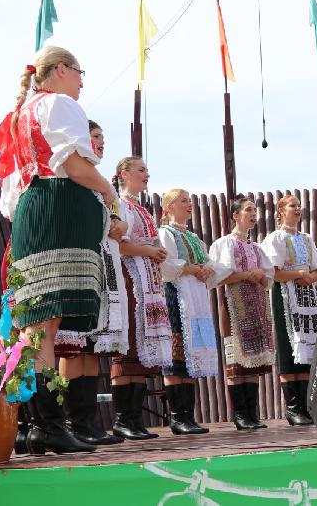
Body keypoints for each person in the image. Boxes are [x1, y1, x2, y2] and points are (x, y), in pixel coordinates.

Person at [0, 46, 117, 454]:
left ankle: (39, 426)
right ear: (61, 70)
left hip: (33, 210)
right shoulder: (61, 104)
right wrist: (109, 190)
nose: (82, 81)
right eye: (80, 72)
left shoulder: (18, 116)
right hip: (61, 206)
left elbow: (10, 196)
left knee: (38, 326)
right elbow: (78, 167)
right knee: (46, 324)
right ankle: (49, 426)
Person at [54, 119, 126, 446]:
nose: (100, 142)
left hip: (103, 268)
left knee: (93, 346)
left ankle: (87, 422)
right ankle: (71, 422)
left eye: (102, 137)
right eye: (95, 136)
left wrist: (118, 224)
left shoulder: (99, 182)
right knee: (73, 346)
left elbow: (118, 222)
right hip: (80, 264)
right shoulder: (76, 175)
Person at [110, 157, 173, 440]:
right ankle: (123, 419)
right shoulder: (120, 204)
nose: (147, 174)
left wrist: (157, 253)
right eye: (142, 170)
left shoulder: (141, 208)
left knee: (139, 348)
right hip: (129, 277)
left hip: (147, 281)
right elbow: (118, 243)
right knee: (129, 345)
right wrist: (149, 252)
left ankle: (133, 420)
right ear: (125, 173)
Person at [158, 189, 228, 435]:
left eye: (190, 200)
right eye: (183, 200)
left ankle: (188, 415)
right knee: (176, 353)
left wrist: (206, 270)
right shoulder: (165, 233)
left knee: (190, 356)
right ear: (169, 206)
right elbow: (166, 266)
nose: (189, 204)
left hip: (195, 298)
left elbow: (208, 263)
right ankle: (178, 417)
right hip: (175, 296)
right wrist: (192, 270)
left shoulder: (194, 238)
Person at [210, 195, 276, 430]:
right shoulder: (224, 244)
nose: (253, 214)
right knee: (236, 359)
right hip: (234, 304)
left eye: (254, 210)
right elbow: (217, 277)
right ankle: (240, 414)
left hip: (256, 305)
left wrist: (261, 276)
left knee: (253, 361)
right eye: (248, 210)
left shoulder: (256, 247)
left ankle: (252, 413)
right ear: (235, 215)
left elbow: (269, 277)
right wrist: (247, 275)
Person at [260, 195, 317, 426]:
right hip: (285, 294)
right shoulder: (275, 238)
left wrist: (310, 277)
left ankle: (307, 406)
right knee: (288, 346)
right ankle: (293, 407)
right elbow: (274, 273)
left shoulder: (306, 238)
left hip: (307, 295)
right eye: (292, 206)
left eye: (299, 206)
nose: (297, 209)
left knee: (308, 346)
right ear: (280, 211)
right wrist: (299, 274)